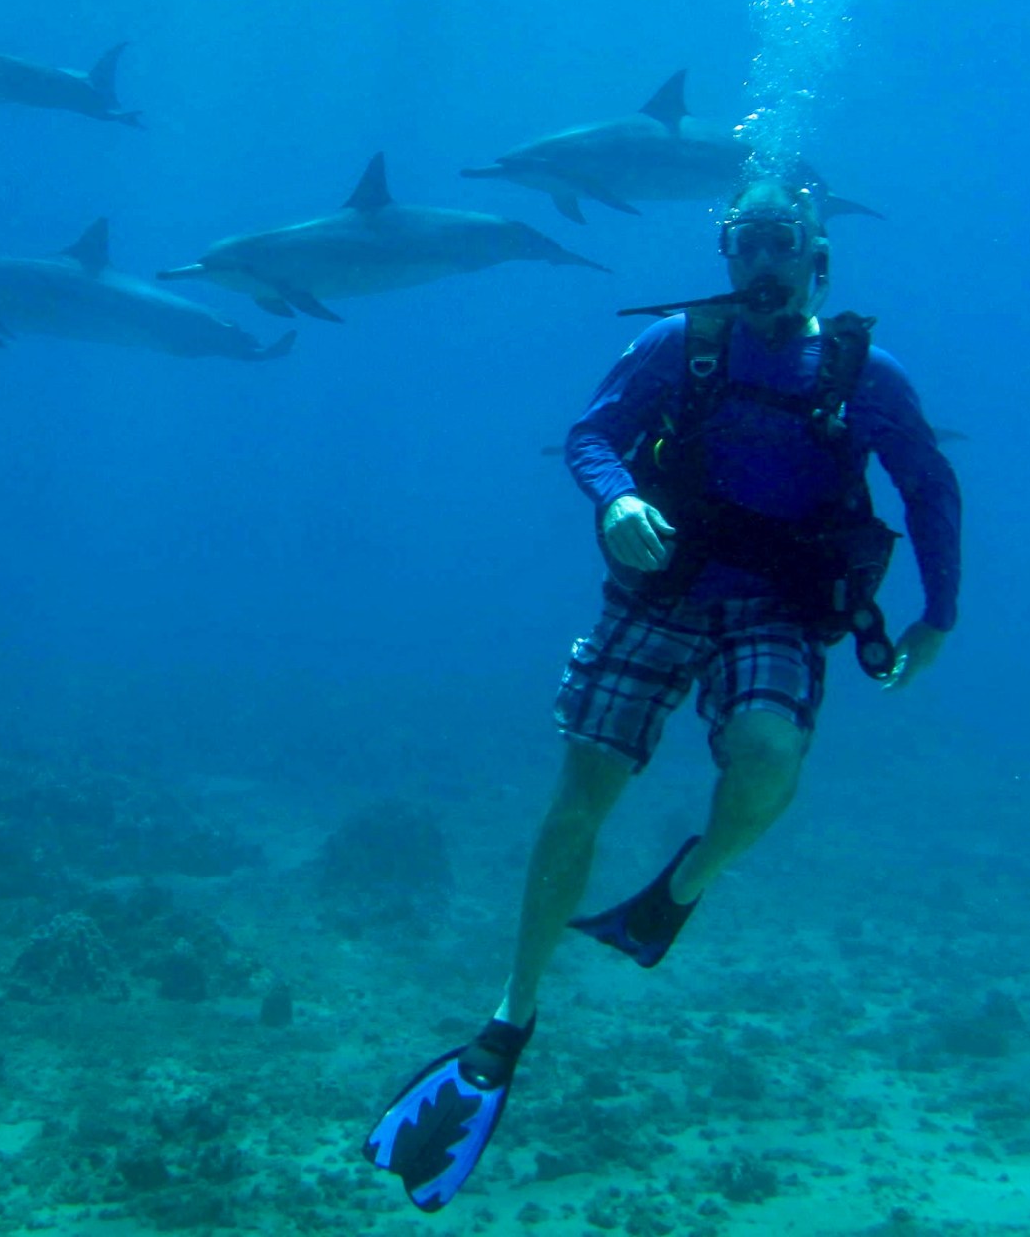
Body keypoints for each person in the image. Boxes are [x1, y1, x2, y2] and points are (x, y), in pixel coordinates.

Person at [363, 177, 961, 1211]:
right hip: (663, 590)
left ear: (819, 256)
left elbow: (928, 489)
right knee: (581, 800)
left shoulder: (867, 374)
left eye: (784, 243)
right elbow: (592, 435)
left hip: (774, 608)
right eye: (747, 243)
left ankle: (680, 889)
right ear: (728, 254)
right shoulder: (679, 347)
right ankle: (510, 1018)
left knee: (770, 756)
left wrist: (938, 614)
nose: (764, 263)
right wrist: (618, 496)